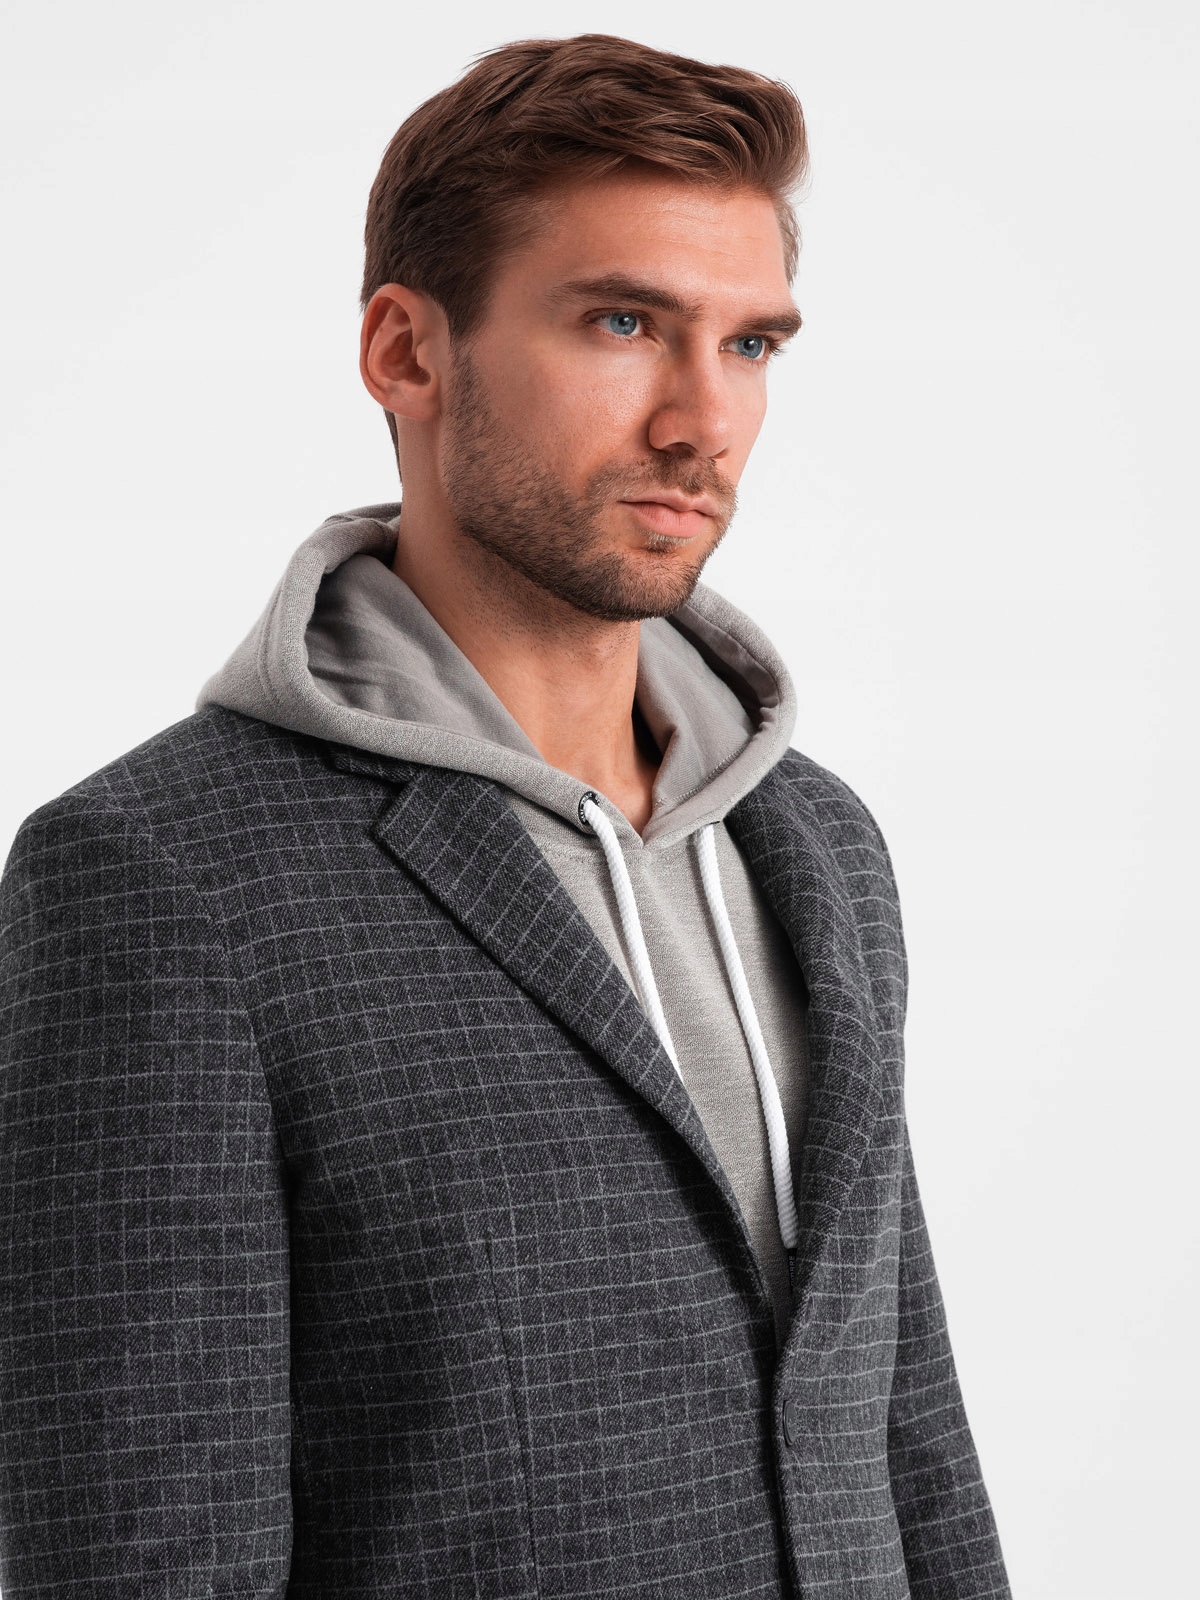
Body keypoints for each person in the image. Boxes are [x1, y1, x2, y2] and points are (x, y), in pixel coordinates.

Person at [0, 33, 1010, 1599]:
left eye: (751, 344)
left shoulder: (818, 845)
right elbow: (143, 1554)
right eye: (625, 323)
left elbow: (903, 1427)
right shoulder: (160, 878)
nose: (703, 422)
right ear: (407, 351)